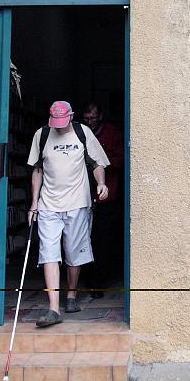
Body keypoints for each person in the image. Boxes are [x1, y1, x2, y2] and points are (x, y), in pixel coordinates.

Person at [27, 100, 110, 327]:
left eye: (63, 122)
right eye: (56, 123)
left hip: (77, 202)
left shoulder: (83, 133)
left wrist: (101, 184)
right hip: (48, 205)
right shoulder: (42, 135)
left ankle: (71, 295)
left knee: (74, 252)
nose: (60, 127)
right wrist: (34, 203)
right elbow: (37, 170)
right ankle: (53, 308)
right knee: (49, 253)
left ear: (72, 116)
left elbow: (97, 164)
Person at [81, 102, 124, 299]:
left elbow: (121, 159)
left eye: (93, 118)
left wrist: (100, 165)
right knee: (83, 239)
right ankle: (87, 280)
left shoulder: (112, 133)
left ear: (101, 116)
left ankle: (99, 283)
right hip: (83, 196)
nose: (89, 122)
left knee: (102, 241)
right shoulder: (79, 133)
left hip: (107, 196)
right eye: (86, 118)